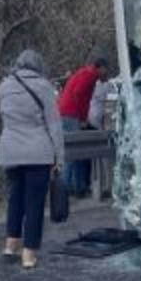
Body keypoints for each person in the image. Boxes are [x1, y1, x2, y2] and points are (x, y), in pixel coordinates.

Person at [0, 50, 65, 269]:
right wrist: (59, 157)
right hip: (37, 151)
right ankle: (29, 254)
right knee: (34, 203)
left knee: (15, 199)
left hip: (10, 150)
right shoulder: (44, 86)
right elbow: (54, 125)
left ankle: (10, 245)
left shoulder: (4, 86)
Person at [57, 56, 110, 198]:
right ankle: (64, 189)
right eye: (106, 70)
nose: (107, 73)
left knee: (77, 152)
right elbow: (78, 94)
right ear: (100, 67)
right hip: (70, 114)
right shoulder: (90, 75)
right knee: (73, 153)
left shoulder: (87, 74)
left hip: (67, 112)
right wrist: (81, 118)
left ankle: (77, 187)